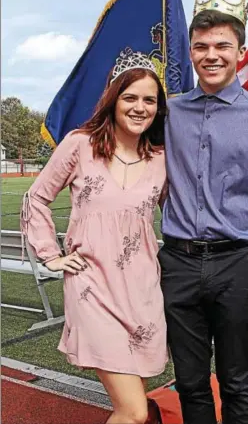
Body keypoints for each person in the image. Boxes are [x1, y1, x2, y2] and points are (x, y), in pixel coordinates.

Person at [158, 0, 248, 424]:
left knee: (236, 380)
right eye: (202, 46)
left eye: (223, 46)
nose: (212, 55)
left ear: (241, 51)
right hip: (178, 263)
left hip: (238, 264)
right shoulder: (168, 113)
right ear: (190, 52)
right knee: (188, 381)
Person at [21, 50, 168, 424]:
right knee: (134, 412)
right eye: (130, 97)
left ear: (158, 106)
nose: (139, 107)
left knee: (131, 403)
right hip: (92, 288)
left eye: (149, 99)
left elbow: (189, 212)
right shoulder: (80, 145)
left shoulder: (162, 159)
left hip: (143, 291)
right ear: (113, 99)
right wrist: (50, 254)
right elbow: (36, 197)